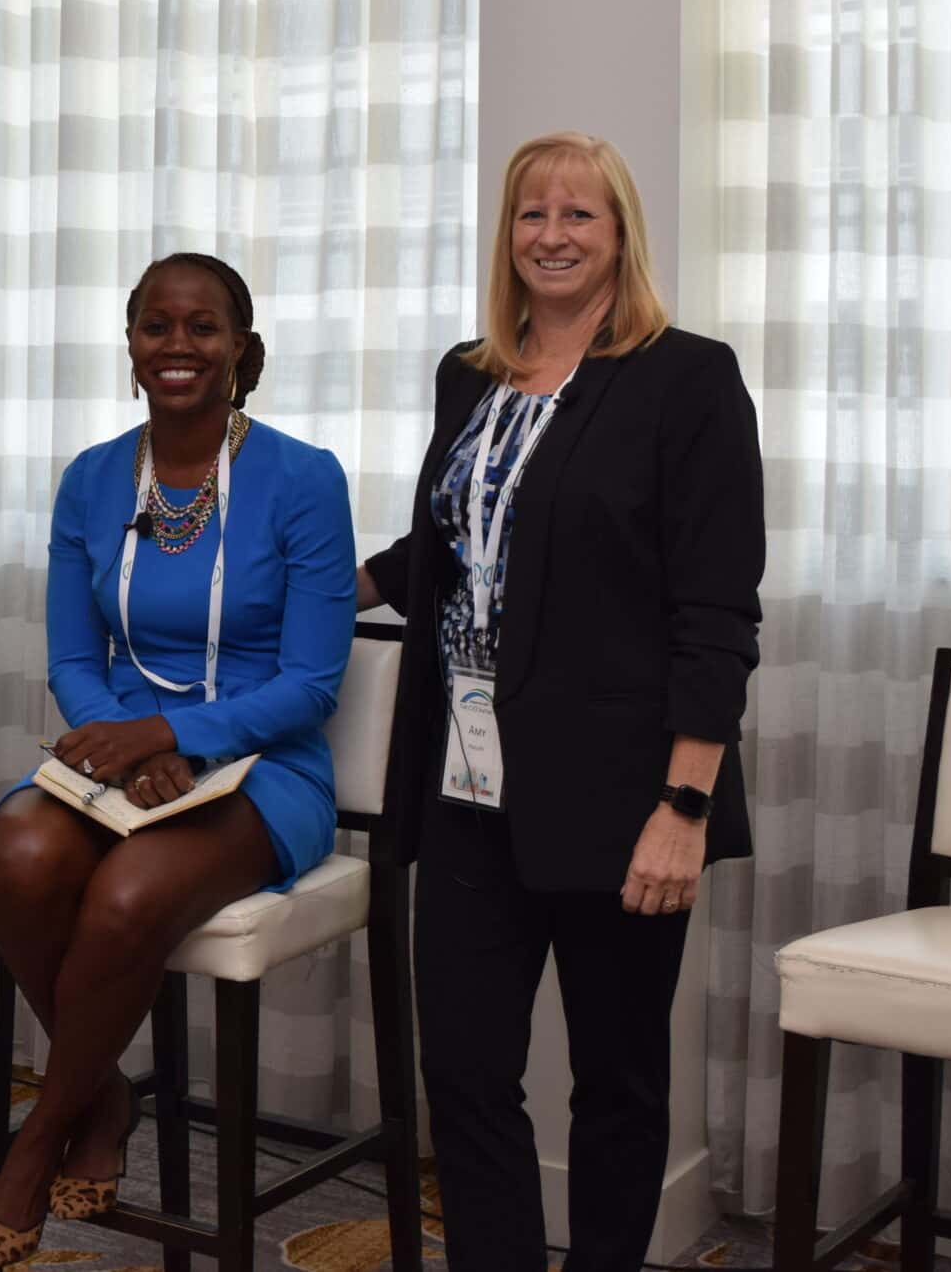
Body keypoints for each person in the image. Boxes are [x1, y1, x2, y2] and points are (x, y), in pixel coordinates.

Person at [360, 132, 764, 1272]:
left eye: (578, 215)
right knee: (467, 1073)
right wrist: (322, 582)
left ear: (619, 233)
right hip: (464, 784)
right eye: (531, 214)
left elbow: (716, 612)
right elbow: (456, 540)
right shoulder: (468, 372)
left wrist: (683, 805)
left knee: (619, 1083)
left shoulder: (686, 379)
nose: (551, 235)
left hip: (624, 793)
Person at [0, 253, 357, 1269]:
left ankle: (44, 1133)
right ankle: (101, 1089)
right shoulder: (91, 479)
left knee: (131, 890)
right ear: (131, 347)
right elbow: (70, 656)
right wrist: (122, 739)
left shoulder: (304, 479)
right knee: (17, 849)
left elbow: (314, 681)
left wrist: (174, 737)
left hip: (263, 767)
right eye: (155, 326)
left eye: (202, 327)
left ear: (244, 350)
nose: (176, 346)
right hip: (118, 752)